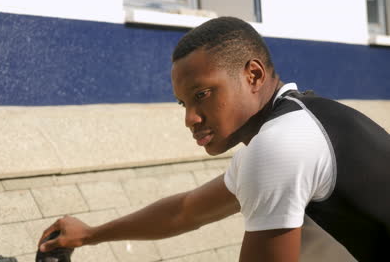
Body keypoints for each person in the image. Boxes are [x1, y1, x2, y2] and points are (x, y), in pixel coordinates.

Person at [38, 17, 390, 261]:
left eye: (203, 94)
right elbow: (185, 211)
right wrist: (90, 234)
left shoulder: (279, 146)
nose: (190, 118)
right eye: (183, 102)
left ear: (253, 75)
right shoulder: (298, 122)